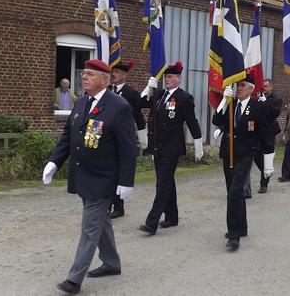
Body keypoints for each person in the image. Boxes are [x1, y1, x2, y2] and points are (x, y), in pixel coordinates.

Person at [42, 59, 137, 295]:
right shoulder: (82, 102)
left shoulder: (119, 106)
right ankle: (112, 263)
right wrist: (54, 161)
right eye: (83, 74)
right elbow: (68, 136)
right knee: (101, 222)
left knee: (90, 226)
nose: (84, 78)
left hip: (104, 178)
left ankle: (74, 279)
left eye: (90, 75)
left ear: (104, 80)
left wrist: (126, 180)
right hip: (83, 175)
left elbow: (128, 147)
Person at [138, 61, 203, 235]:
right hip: (158, 146)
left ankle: (151, 223)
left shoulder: (184, 97)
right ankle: (172, 217)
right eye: (166, 77)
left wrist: (198, 143)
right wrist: (147, 88)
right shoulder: (159, 94)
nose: (167, 79)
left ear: (179, 79)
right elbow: (141, 104)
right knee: (167, 183)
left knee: (162, 184)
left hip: (172, 147)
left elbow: (191, 121)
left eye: (171, 77)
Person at [212, 71, 274, 251]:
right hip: (228, 152)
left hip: (246, 153)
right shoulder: (231, 104)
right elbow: (217, 120)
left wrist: (268, 161)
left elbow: (265, 134)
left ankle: (234, 234)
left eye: (242, 86)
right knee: (233, 191)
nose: (238, 89)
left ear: (251, 89)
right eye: (237, 85)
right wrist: (224, 101)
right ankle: (243, 227)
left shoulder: (258, 107)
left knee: (235, 191)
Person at [108, 60, 147, 219]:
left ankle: (119, 206)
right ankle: (107, 203)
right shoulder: (108, 91)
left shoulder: (131, 93)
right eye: (113, 72)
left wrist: (142, 135)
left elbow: (137, 115)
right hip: (109, 137)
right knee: (109, 172)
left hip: (123, 137)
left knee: (119, 172)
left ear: (124, 75)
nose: (113, 75)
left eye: (116, 72)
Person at [252, 78, 282, 193]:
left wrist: (266, 103)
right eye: (262, 86)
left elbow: (275, 113)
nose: (263, 89)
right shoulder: (258, 98)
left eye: (265, 86)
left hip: (269, 132)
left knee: (267, 157)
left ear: (271, 87)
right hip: (258, 132)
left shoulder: (276, 99)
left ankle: (263, 184)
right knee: (256, 156)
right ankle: (266, 170)